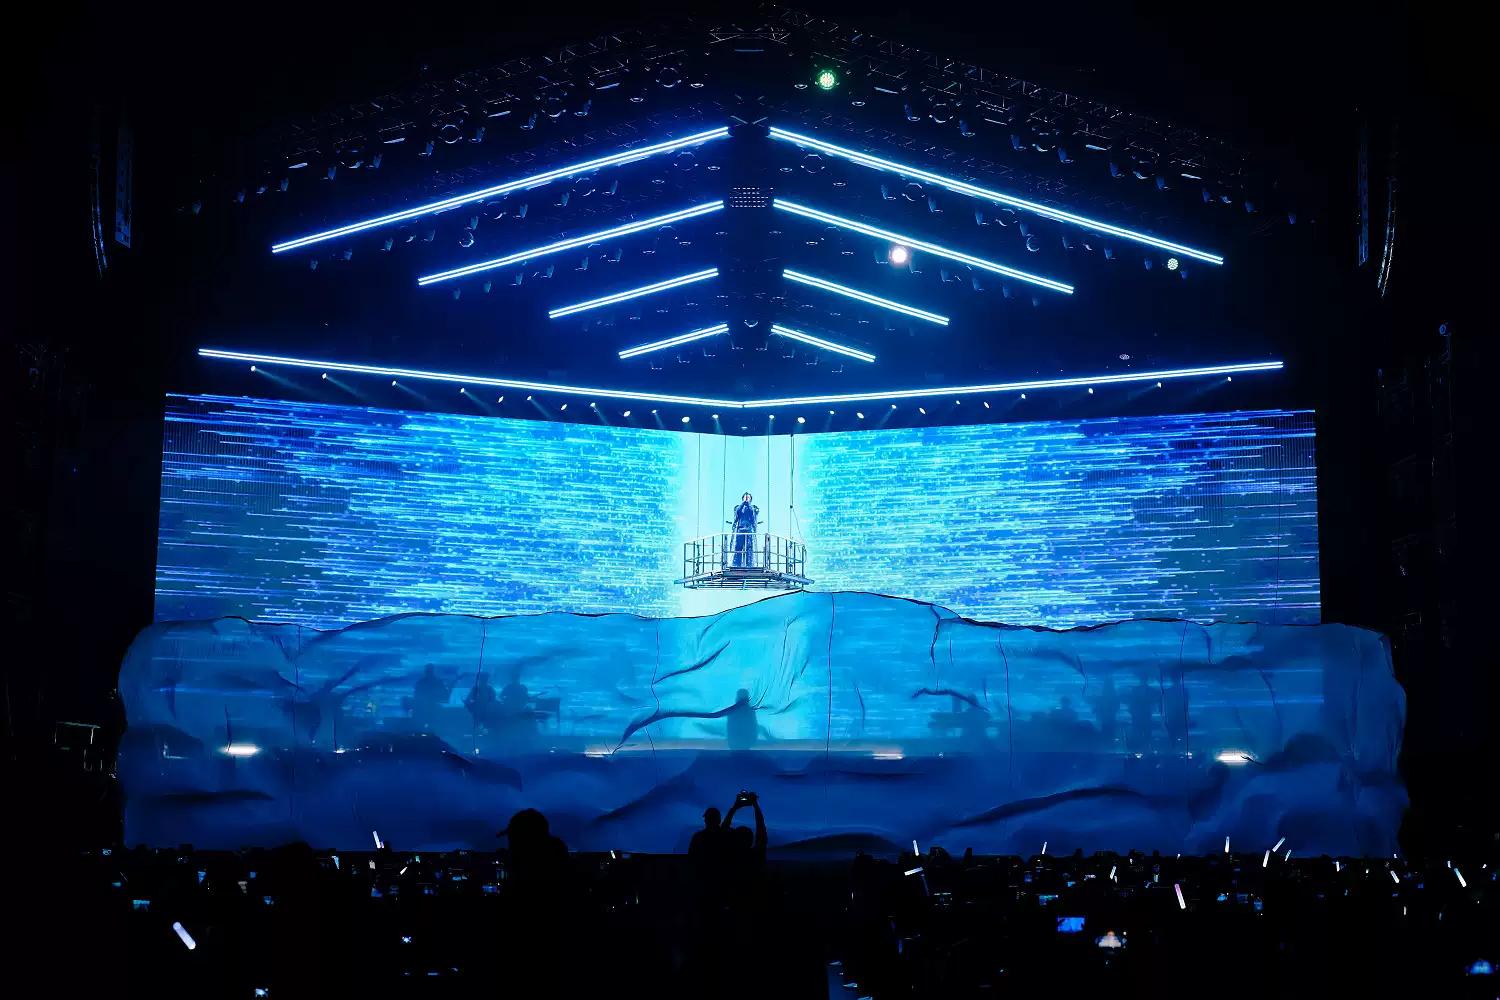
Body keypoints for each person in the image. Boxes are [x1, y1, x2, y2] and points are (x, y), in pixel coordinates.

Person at [730, 492, 759, 568]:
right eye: (745, 498)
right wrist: (743, 504)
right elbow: (737, 513)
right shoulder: (738, 507)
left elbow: (753, 515)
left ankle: (749, 564)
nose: (746, 499)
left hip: (749, 530)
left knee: (749, 547)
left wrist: (748, 504)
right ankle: (736, 564)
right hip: (740, 529)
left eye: (748, 498)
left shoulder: (753, 508)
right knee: (738, 547)